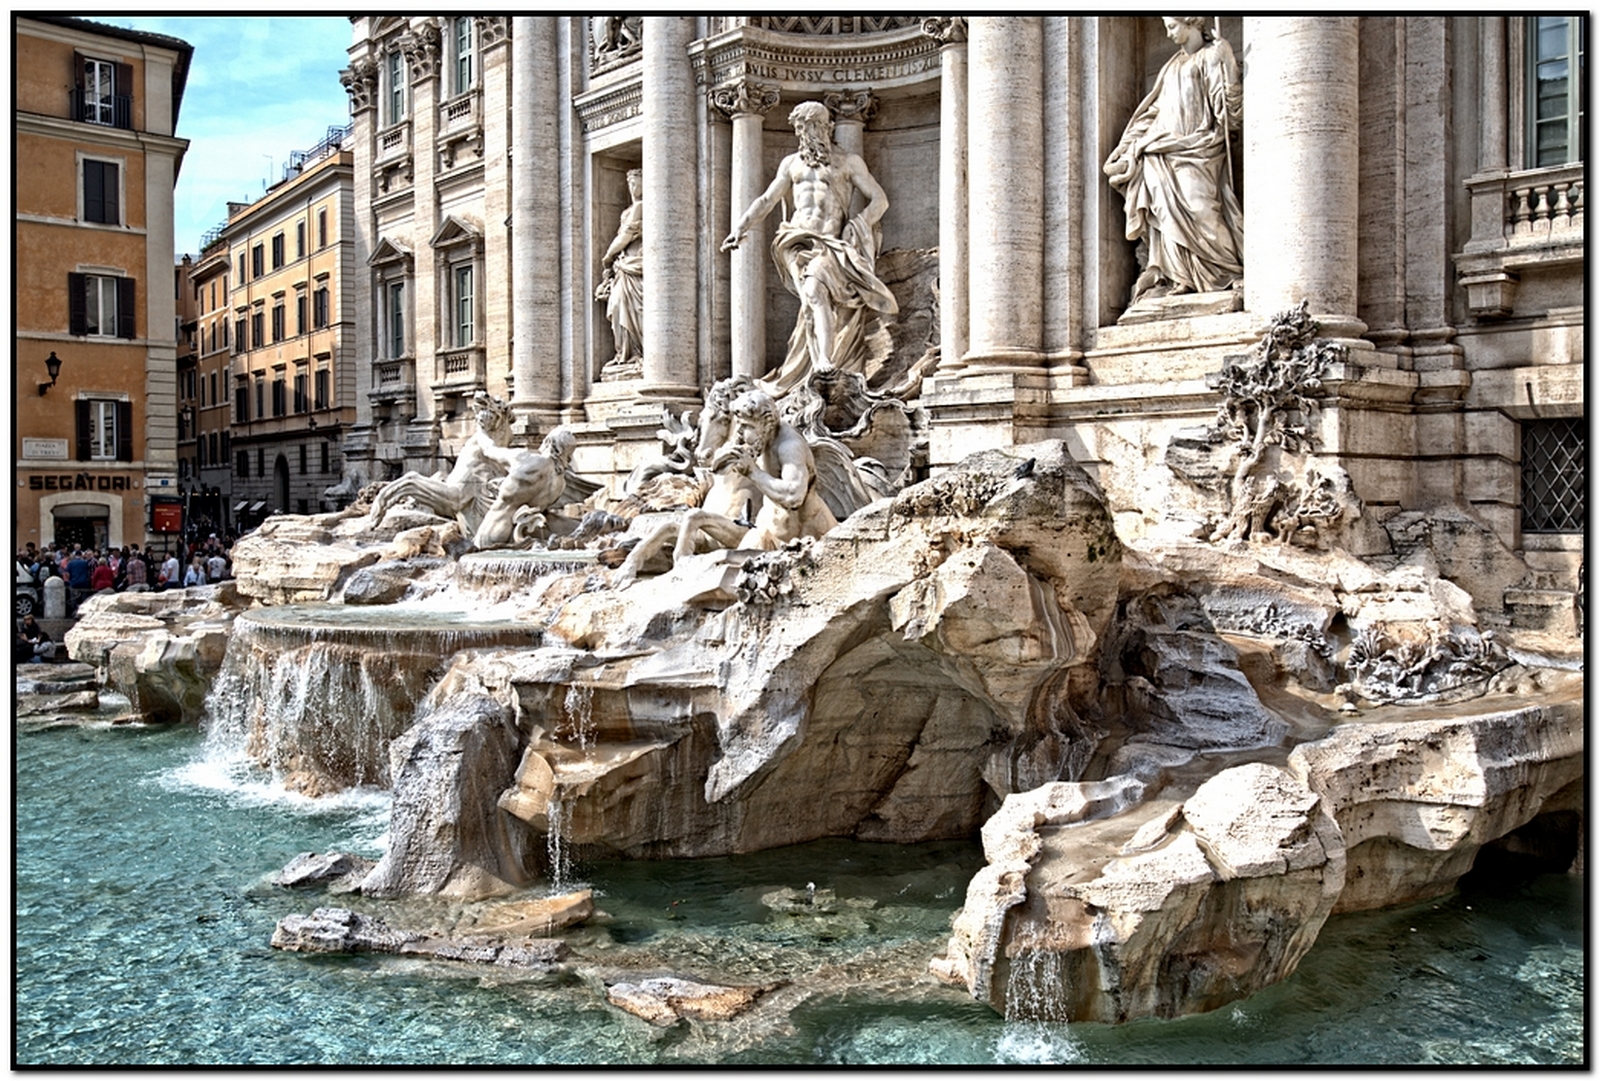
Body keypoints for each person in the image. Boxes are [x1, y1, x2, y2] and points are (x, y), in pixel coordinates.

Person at [723, 100, 899, 396]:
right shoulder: (791, 164)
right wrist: (740, 228)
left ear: (828, 127)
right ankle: (819, 361)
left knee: (815, 291)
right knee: (810, 299)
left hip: (830, 242)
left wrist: (857, 224)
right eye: (801, 128)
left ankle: (824, 361)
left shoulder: (848, 161)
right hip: (794, 240)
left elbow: (879, 200)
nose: (806, 134)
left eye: (812, 126)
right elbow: (767, 200)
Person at [613, 386, 837, 588]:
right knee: (694, 521)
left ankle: (682, 573)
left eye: (746, 426)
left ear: (764, 422)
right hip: (768, 530)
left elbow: (794, 496)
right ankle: (638, 563)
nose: (740, 433)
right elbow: (720, 465)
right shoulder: (762, 439)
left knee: (724, 560)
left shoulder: (790, 446)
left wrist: (753, 473)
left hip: (803, 541)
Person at [1103, 16, 1243, 307]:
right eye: (1166, 27)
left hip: (1200, 147)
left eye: (1172, 26)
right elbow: (1153, 113)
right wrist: (1127, 148)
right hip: (1161, 151)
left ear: (1191, 22)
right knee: (1165, 215)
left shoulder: (1213, 55)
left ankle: (1226, 271)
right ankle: (1179, 276)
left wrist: (1228, 61)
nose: (1168, 34)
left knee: (1201, 208)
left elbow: (1230, 111)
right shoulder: (1171, 67)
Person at [595, 168, 643, 380]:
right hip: (624, 266)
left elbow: (626, 235)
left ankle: (637, 353)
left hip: (635, 264)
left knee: (632, 309)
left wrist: (608, 255)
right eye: (630, 182)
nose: (632, 187)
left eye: (636, 182)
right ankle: (625, 355)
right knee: (617, 307)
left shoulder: (641, 207)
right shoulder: (628, 211)